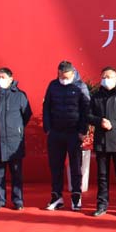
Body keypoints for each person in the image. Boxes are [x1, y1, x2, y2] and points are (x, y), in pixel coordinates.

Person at [43, 60, 91, 211]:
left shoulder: (80, 86)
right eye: (60, 76)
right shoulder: (53, 85)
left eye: (66, 76)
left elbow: (86, 110)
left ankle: (76, 197)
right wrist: (48, 128)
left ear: (72, 73)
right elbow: (46, 107)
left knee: (76, 167)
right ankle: (56, 197)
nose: (63, 79)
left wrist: (82, 131)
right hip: (55, 133)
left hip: (74, 134)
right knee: (55, 166)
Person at [0, 67, 32, 211]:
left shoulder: (20, 95)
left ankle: (18, 201)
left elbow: (26, 115)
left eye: (3, 77)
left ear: (11, 79)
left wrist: (16, 128)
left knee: (16, 174)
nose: (0, 80)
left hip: (14, 141)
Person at [87, 66, 116, 217]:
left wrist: (112, 123)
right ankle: (101, 205)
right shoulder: (96, 96)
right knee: (102, 176)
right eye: (103, 77)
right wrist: (99, 121)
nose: (106, 80)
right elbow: (88, 115)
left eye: (109, 77)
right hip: (101, 141)